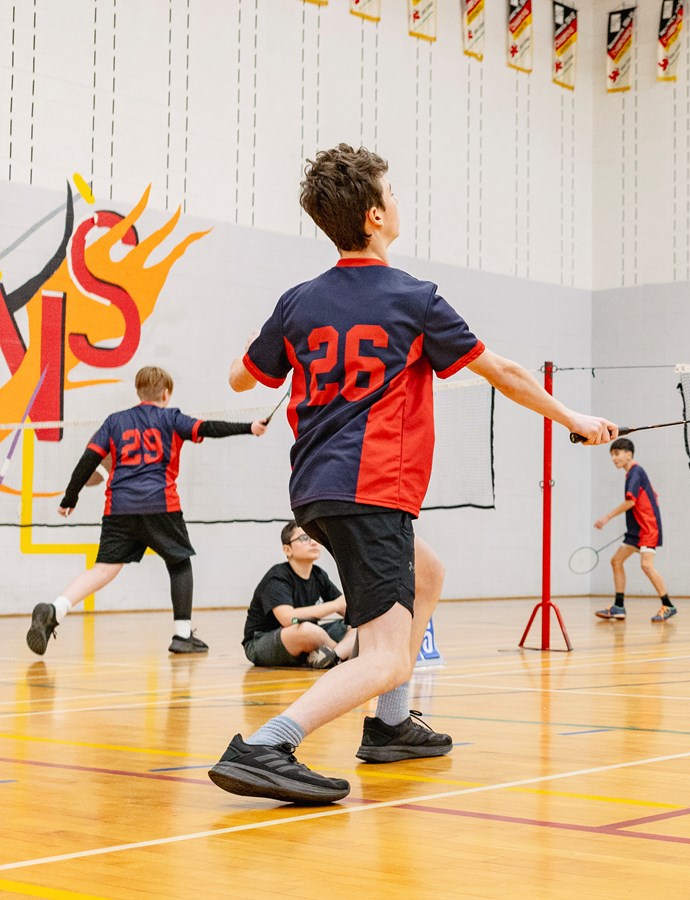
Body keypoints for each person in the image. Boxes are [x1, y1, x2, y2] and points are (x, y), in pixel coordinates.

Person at [208, 143, 617, 805]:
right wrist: (574, 416)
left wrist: (276, 348)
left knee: (428, 574)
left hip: (316, 489)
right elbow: (505, 373)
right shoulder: (414, 299)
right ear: (374, 216)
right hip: (373, 489)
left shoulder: (297, 302)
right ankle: (267, 745)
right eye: (391, 192)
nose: (397, 200)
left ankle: (391, 726)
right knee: (387, 655)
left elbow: (239, 377)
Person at [27, 366, 267, 656]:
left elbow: (88, 460)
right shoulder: (171, 418)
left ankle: (56, 609)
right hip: (160, 504)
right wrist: (250, 427)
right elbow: (208, 428)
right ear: (166, 394)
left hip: (119, 508)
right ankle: (182, 635)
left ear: (138, 392)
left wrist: (70, 497)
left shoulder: (115, 421)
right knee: (179, 563)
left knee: (103, 569)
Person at [242, 523, 358, 669]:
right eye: (304, 538)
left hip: (310, 637)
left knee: (360, 625)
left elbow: (349, 611)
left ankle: (331, 656)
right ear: (287, 549)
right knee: (307, 631)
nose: (314, 542)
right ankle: (340, 656)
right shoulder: (277, 577)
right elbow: (288, 618)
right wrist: (334, 605)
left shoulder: (319, 575)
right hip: (261, 641)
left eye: (315, 537)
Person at [593, 437, 675, 622]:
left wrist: (607, 517)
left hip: (648, 529)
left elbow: (631, 501)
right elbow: (650, 496)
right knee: (616, 561)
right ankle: (618, 607)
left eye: (617, 454)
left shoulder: (636, 472)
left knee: (646, 565)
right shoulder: (633, 474)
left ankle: (668, 605)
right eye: (612, 455)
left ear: (628, 454)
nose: (614, 458)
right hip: (636, 530)